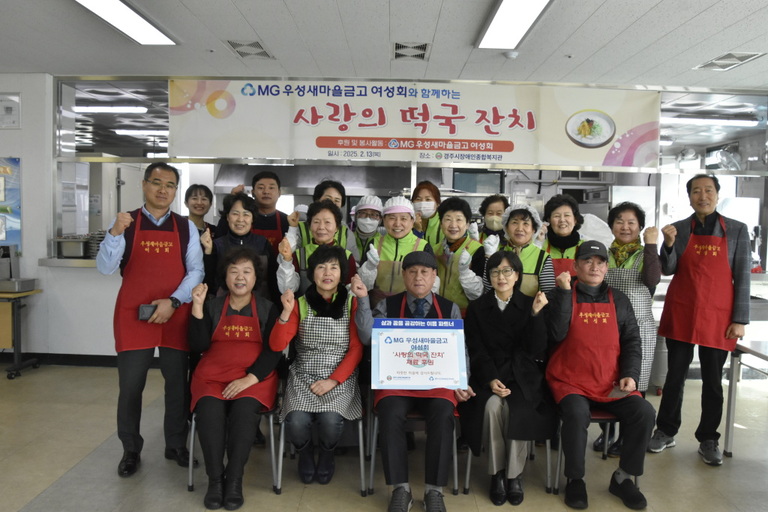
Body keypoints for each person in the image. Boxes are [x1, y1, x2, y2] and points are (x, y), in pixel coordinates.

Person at [96, 162, 204, 478]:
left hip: (175, 314)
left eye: (169, 185)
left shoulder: (186, 228)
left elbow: (196, 271)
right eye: (156, 182)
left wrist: (173, 301)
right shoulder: (126, 222)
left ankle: (175, 445)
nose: (162, 190)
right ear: (144, 185)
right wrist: (114, 233)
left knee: (177, 387)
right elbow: (105, 268)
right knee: (130, 388)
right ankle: (131, 449)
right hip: (133, 316)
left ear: (175, 191)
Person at [648, 174, 750, 467]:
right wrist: (667, 245)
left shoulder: (737, 231)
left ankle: (708, 438)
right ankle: (666, 430)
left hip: (719, 317)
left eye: (708, 190)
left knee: (712, 382)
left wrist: (740, 319)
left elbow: (742, 276)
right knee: (674, 377)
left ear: (717, 194)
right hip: (683, 311)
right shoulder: (679, 229)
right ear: (689, 196)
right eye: (696, 191)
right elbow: (667, 269)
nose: (702, 196)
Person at [546, 240, 655, 511]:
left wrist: (630, 374)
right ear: (575, 265)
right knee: (575, 413)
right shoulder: (562, 294)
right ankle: (575, 479)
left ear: (607, 267)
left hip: (610, 383)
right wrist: (561, 293)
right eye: (587, 261)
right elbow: (556, 334)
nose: (594, 267)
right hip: (570, 381)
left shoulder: (618, 298)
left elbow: (632, 340)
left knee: (644, 412)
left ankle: (623, 477)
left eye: (600, 262)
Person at [367, 251, 474, 512]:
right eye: (412, 271)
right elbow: (374, 344)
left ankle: (434, 491)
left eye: (424, 272)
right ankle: (400, 488)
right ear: (403, 275)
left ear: (434, 276)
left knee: (443, 412)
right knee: (390, 413)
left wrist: (462, 380)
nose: (418, 277)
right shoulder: (386, 306)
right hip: (397, 382)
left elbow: (460, 350)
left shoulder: (449, 308)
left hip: (437, 383)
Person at [188, 247, 281, 511]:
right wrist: (197, 306)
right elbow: (198, 344)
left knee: (243, 415)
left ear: (255, 278)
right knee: (209, 414)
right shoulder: (212, 305)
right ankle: (216, 480)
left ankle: (235, 481)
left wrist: (250, 378)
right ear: (225, 277)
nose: (240, 277)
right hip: (212, 376)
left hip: (254, 378)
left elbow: (274, 350)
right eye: (234, 271)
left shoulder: (267, 308)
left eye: (246, 271)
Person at [460, 251, 555, 507]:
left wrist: (536, 315)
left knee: (516, 409)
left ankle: (514, 475)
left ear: (517, 275)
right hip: (488, 373)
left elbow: (536, 349)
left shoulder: (530, 303)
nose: (501, 277)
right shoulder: (478, 307)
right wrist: (490, 379)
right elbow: (476, 349)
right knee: (491, 407)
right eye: (495, 272)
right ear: (489, 277)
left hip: (522, 375)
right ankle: (497, 474)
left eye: (507, 271)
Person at [270, 245, 365, 485]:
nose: (327, 273)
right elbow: (276, 344)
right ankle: (304, 453)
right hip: (303, 374)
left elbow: (356, 348)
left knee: (331, 421)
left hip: (339, 376)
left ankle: (326, 453)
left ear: (341, 273)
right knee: (297, 422)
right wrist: (285, 312)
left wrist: (334, 379)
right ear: (312, 273)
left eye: (333, 267)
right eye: (321, 267)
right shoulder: (300, 303)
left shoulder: (351, 302)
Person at [598, 202, 661, 456]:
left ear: (640, 227)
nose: (625, 227)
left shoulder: (646, 253)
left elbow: (652, 279)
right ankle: (607, 432)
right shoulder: (604, 252)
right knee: (606, 379)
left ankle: (627, 437)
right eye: (619, 221)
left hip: (640, 326)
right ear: (611, 225)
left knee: (635, 381)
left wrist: (653, 245)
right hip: (608, 325)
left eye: (631, 222)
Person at [357, 196, 434, 308]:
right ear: (384, 220)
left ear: (412, 221)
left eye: (403, 218)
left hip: (410, 310)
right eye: (392, 218)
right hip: (377, 309)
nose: (397, 224)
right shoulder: (374, 244)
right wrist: (368, 268)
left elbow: (431, 283)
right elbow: (362, 284)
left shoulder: (423, 246)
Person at [201, 192, 277, 302]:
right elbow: (208, 283)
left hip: (260, 306)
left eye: (246, 214)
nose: (240, 219)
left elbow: (273, 280)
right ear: (227, 217)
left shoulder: (263, 243)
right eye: (235, 214)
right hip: (222, 307)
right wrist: (208, 253)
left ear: (252, 219)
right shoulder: (216, 245)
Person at [277, 199, 357, 295]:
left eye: (327, 222)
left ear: (336, 227)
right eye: (316, 222)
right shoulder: (299, 255)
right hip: (304, 309)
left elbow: (352, 291)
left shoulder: (347, 256)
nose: (321, 227)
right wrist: (287, 261)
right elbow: (288, 289)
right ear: (310, 226)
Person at [217, 171, 289, 255]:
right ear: (252, 192)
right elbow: (220, 241)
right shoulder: (240, 219)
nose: (266, 191)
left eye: (271, 188)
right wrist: (232, 203)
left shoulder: (286, 221)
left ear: (279, 193)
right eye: (261, 188)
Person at [434, 197, 484, 316]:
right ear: (441, 223)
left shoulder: (477, 250)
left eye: (459, 220)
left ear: (467, 224)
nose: (453, 225)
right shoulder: (434, 249)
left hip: (466, 315)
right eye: (448, 219)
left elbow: (480, 291)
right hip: (437, 313)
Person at [492, 204, 556, 297]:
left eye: (526, 223)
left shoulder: (542, 257)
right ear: (506, 227)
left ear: (534, 229)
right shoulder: (497, 253)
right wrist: (489, 257)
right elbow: (488, 288)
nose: (520, 229)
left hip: (531, 311)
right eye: (515, 222)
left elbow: (549, 295)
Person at [290, 179, 360, 260]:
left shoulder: (345, 231)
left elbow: (354, 262)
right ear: (317, 200)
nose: (332, 203)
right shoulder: (300, 229)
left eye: (337, 200)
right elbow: (289, 258)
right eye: (328, 199)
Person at [542, 194, 585, 276]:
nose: (562, 220)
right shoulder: (542, 247)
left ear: (575, 219)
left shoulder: (584, 247)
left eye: (567, 215)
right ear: (549, 220)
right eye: (556, 216)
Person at [411, 180, 443, 249]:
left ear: (437, 203)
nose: (422, 203)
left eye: (428, 199)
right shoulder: (407, 222)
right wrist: (417, 231)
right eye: (418, 199)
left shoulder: (443, 222)